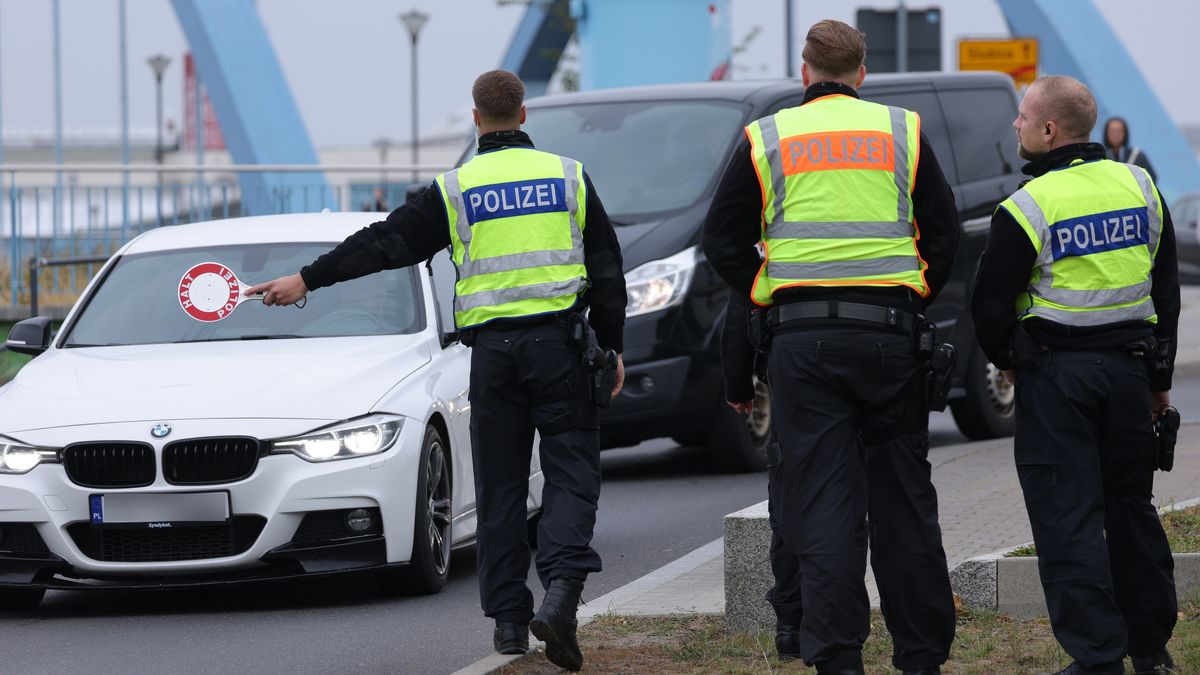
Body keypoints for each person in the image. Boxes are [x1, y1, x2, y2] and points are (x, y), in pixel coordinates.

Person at [246, 69, 628, 672]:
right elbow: (608, 271)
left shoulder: (455, 190)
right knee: (571, 481)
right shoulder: (568, 176)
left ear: (477, 119)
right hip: (560, 350)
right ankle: (560, 596)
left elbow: (384, 243)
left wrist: (307, 279)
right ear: (523, 114)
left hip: (493, 361)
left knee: (501, 489)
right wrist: (612, 346)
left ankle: (508, 623)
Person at [703, 19, 959, 675]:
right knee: (903, 500)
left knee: (822, 506)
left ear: (805, 71)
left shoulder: (767, 138)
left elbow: (724, 241)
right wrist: (909, 298)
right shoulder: (902, 131)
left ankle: (838, 656)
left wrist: (771, 293)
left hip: (804, 343)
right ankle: (923, 656)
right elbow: (944, 234)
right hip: (890, 337)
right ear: (862, 73)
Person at [972, 75, 1180, 675]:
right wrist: (1158, 381)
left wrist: (1009, 360)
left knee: (1069, 521)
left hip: (1058, 380)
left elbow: (989, 306)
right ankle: (1151, 650)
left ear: (1049, 130)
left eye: (1022, 117)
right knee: (1131, 510)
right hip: (1129, 375)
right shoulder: (1139, 185)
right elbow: (1165, 289)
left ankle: (1096, 659)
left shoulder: (1027, 206)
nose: (1015, 126)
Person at [720, 290, 803, 660]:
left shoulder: (775, 230)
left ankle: (791, 627)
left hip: (795, 359)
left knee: (791, 498)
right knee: (850, 498)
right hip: (877, 350)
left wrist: (739, 381)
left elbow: (743, 291)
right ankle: (838, 622)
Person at [1103, 116, 1157, 182]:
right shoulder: (1101, 156)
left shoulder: (1137, 156)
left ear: (1125, 134)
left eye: (1119, 131)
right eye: (1112, 131)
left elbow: (1152, 178)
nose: (1115, 134)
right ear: (1106, 134)